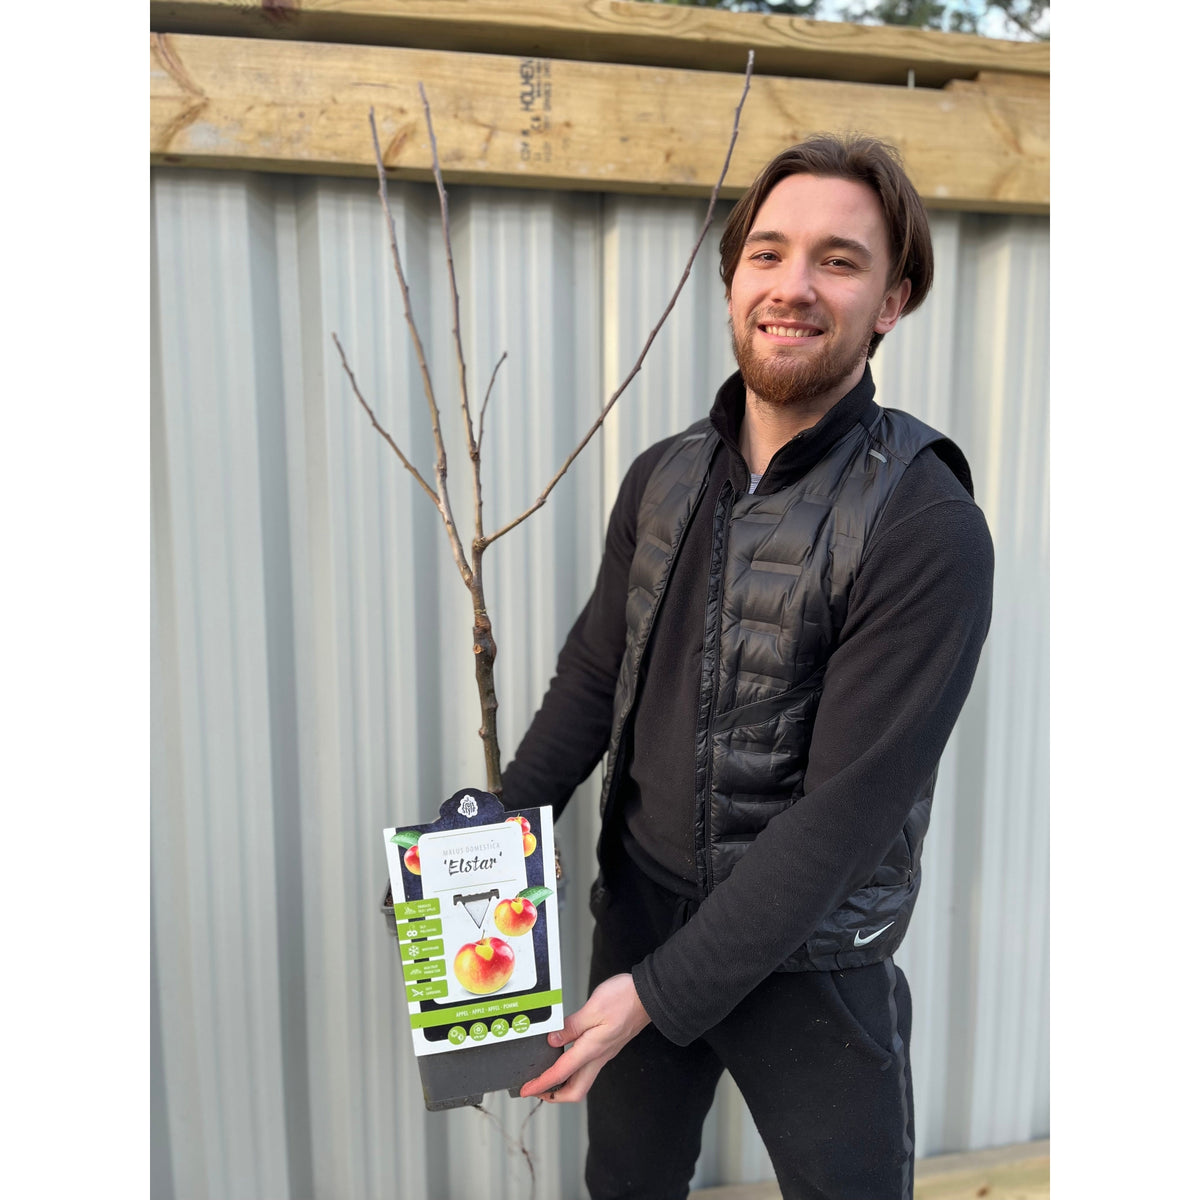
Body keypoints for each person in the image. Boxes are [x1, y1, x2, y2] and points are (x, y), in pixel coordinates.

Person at [500, 134, 994, 1200]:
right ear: (735, 275)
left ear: (893, 299)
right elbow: (596, 672)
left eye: (840, 260)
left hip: (810, 959)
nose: (794, 286)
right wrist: (491, 831)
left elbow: (843, 820)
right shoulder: (667, 475)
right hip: (640, 909)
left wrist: (660, 993)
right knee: (625, 1187)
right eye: (768, 253)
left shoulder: (924, 520)